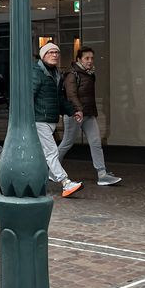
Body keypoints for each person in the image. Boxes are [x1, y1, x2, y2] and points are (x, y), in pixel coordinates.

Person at [58, 47, 122, 186]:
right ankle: (52, 168)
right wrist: (78, 110)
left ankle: (102, 174)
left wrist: (90, 110)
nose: (90, 61)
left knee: (96, 143)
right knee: (67, 143)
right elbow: (71, 95)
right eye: (87, 58)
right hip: (75, 114)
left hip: (88, 114)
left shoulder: (90, 74)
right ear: (79, 59)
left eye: (92, 58)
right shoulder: (72, 74)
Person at [33, 42, 83, 198]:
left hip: (50, 119)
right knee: (51, 152)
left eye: (57, 52)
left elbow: (59, 98)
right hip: (40, 119)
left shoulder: (56, 74)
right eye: (51, 52)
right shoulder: (36, 72)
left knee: (42, 155)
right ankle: (65, 183)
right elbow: (29, 97)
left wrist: (72, 111)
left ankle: (37, 183)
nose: (55, 55)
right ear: (43, 55)